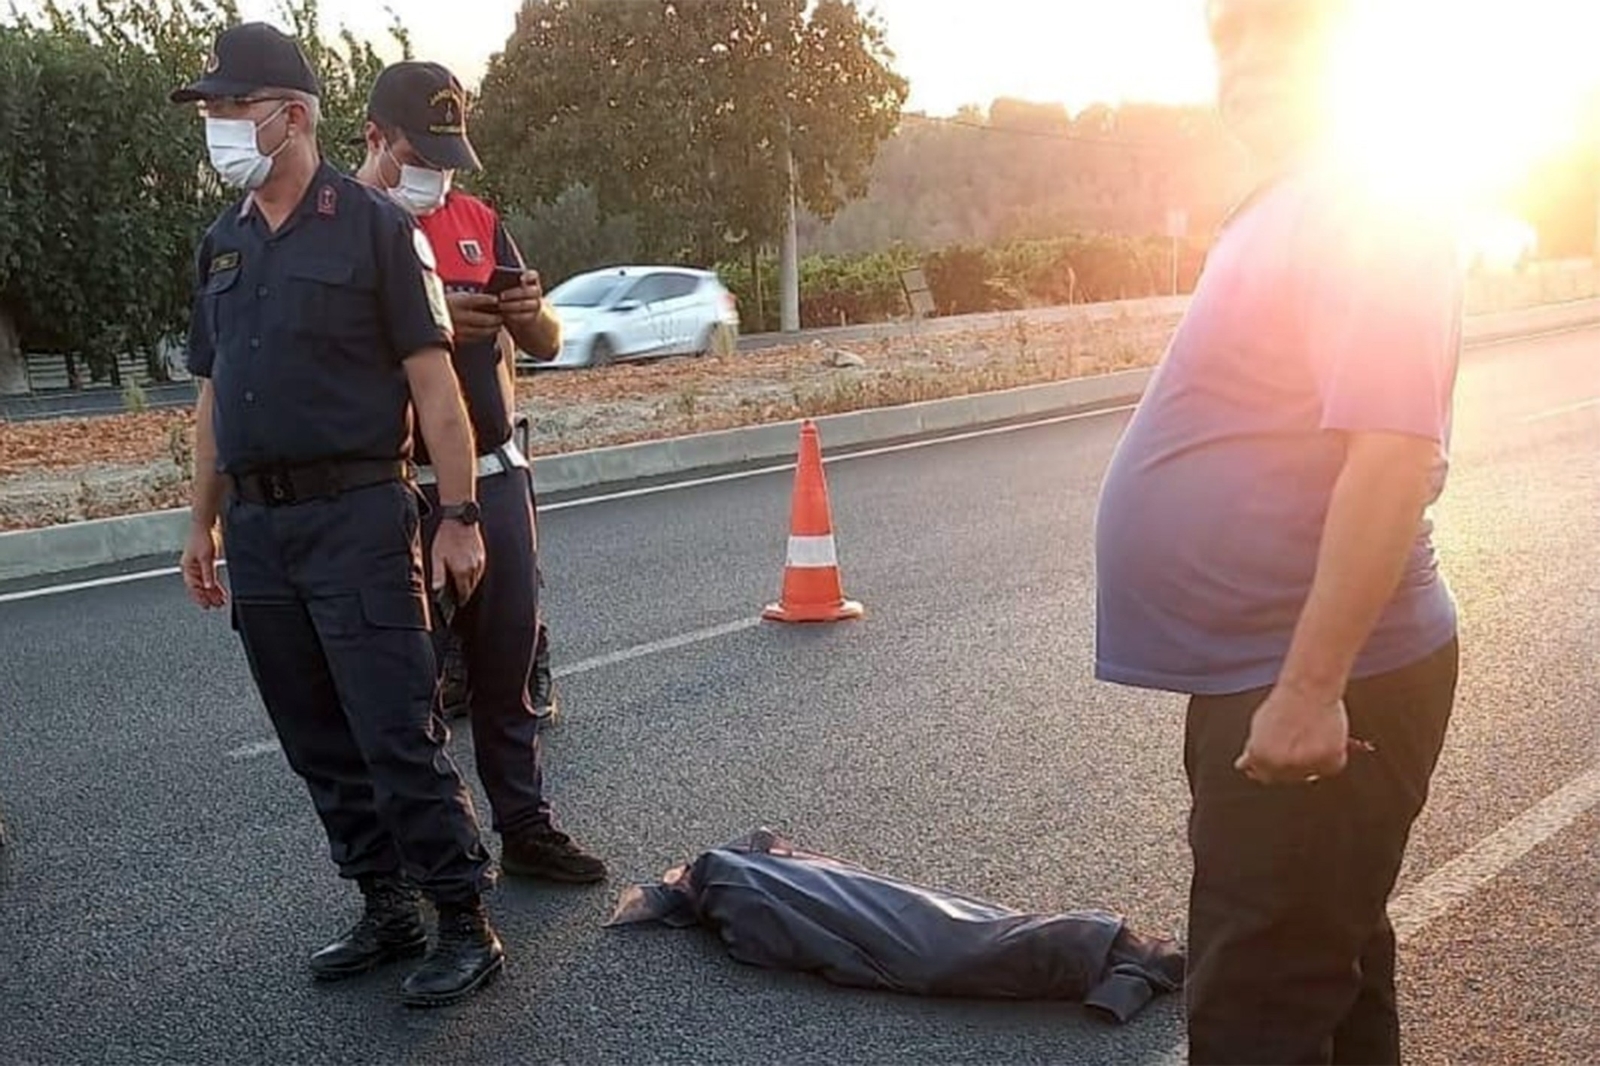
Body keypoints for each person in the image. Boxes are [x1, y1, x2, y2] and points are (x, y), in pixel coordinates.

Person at [1092, 1, 1464, 1062]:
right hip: (1271, 672)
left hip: (1315, 678)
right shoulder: (1295, 200)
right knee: (1330, 981)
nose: (1243, 60)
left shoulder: (1370, 202)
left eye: (1278, 31)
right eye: (1225, 37)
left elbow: (1392, 456)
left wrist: (1306, 690)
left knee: (1258, 1010)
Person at [173, 24, 506, 1007]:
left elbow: (435, 389)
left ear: (293, 115)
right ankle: (385, 904)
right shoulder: (223, 244)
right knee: (313, 733)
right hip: (266, 532)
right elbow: (211, 398)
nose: (221, 126)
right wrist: (202, 523)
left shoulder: (373, 228)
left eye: (234, 108)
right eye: (214, 111)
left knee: (394, 729)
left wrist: (457, 514)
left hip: (360, 515)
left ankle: (462, 920)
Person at [353, 61, 606, 884]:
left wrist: (531, 315)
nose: (438, 174)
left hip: (495, 476)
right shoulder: (345, 230)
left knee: (508, 662)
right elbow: (329, 360)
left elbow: (548, 342)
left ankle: (526, 826)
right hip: (394, 485)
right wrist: (429, 324)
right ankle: (431, 859)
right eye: (423, 155)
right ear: (375, 140)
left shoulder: (478, 220)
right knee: (408, 687)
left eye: (450, 156)